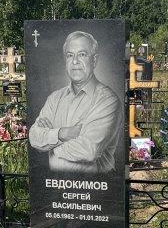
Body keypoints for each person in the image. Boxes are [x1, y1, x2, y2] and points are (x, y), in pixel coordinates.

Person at [28, 30, 122, 174]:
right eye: (70, 55)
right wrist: (61, 134)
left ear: (94, 60)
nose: (75, 61)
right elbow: (34, 137)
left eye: (82, 54)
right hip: (56, 183)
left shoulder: (108, 100)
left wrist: (49, 143)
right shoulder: (55, 98)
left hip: (96, 184)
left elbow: (89, 150)